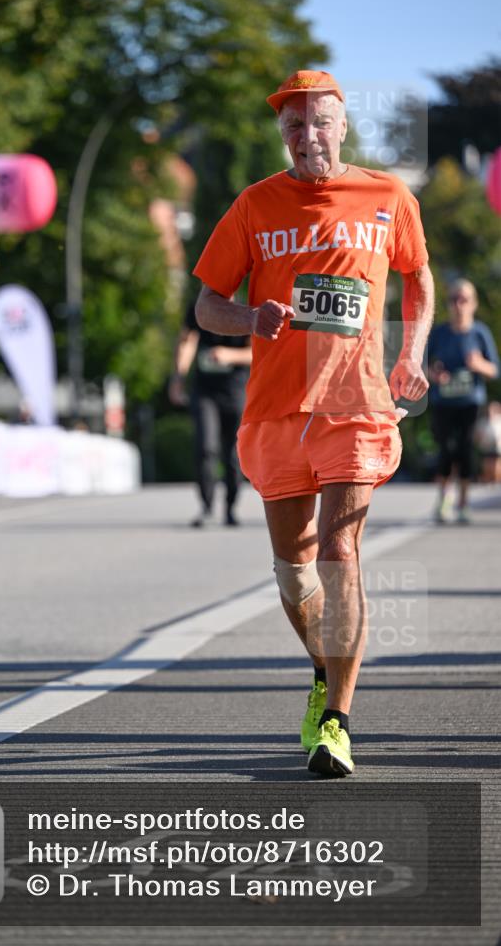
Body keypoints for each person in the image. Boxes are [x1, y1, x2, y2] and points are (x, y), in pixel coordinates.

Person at [192, 70, 433, 777]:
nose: (307, 137)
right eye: (293, 126)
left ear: (343, 125)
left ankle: (337, 722)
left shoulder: (388, 197)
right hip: (275, 409)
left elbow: (418, 276)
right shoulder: (254, 205)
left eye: (319, 122)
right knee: (295, 572)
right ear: (284, 136)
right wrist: (249, 317)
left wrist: (412, 354)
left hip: (354, 404)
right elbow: (206, 304)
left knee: (338, 551)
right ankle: (326, 670)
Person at [169, 300, 252, 526]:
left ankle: (230, 507)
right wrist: (178, 377)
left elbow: (256, 352)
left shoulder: (246, 309)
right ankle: (206, 506)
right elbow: (187, 342)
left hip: (236, 390)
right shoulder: (199, 307)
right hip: (205, 390)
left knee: (233, 453)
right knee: (206, 447)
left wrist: (229, 355)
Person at [427, 279, 499, 522]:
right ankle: (443, 500)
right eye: (454, 299)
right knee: (446, 450)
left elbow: (494, 369)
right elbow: (422, 365)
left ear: (473, 304)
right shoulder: (439, 333)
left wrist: (479, 365)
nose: (459, 305)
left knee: (465, 451)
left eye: (464, 299)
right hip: (443, 402)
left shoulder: (480, 333)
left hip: (470, 403)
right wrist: (434, 374)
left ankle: (464, 503)